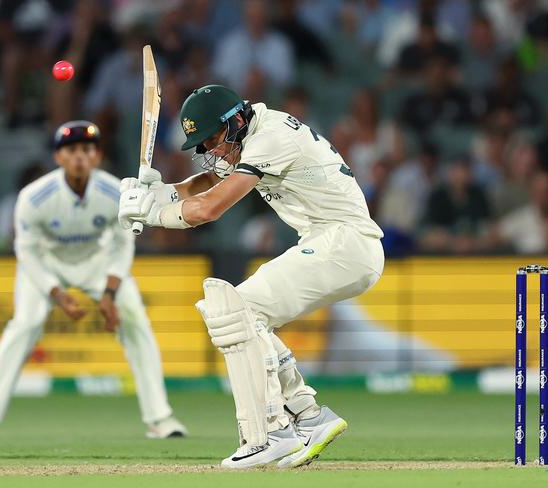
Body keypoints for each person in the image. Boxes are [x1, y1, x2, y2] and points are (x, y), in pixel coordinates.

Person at [118, 85, 384, 468]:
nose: (211, 151)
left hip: (346, 243)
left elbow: (209, 208)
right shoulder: (248, 135)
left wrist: (152, 214)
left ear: (236, 121)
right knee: (227, 311)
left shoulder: (271, 136)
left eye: (213, 139)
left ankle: (271, 433)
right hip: (332, 243)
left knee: (237, 308)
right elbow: (206, 184)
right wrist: (158, 193)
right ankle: (309, 416)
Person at [0, 121, 186, 440]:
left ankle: (160, 418)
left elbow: (123, 244)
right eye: (71, 150)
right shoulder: (34, 197)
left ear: (97, 156)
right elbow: (26, 251)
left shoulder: (114, 192)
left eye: (87, 149)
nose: (80, 156)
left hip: (98, 262)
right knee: (25, 323)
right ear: (58, 157)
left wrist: (110, 293)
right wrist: (55, 292)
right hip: (46, 264)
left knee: (135, 319)